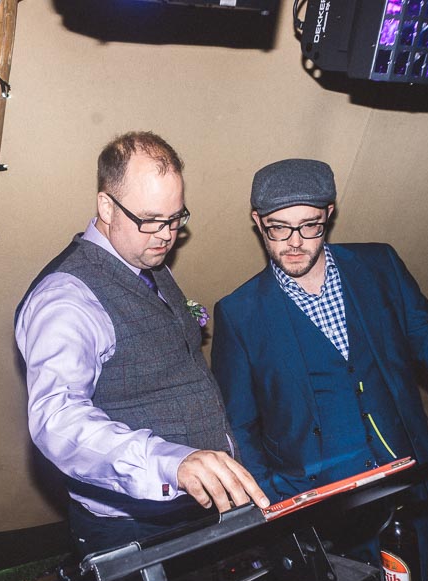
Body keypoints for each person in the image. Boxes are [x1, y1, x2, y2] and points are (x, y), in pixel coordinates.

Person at [211, 159, 428, 581]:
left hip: (404, 482)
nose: (294, 242)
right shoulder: (238, 312)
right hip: (315, 506)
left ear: (329, 214)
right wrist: (272, 508)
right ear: (258, 222)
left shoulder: (379, 265)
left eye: (309, 226)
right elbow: (239, 424)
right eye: (278, 228)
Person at [15, 131, 269, 557]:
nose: (166, 235)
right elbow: (56, 420)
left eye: (176, 218)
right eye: (150, 220)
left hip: (190, 509)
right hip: (132, 528)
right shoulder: (65, 299)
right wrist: (170, 463)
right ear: (106, 206)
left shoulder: (143, 259)